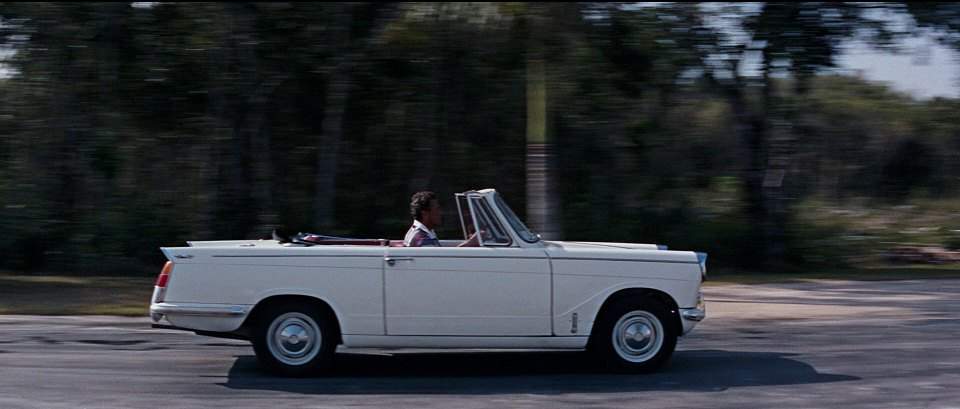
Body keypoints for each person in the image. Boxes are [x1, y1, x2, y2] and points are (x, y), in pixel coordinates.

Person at [404, 191, 480, 247]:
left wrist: (469, 242)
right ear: (425, 213)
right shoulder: (422, 239)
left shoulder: (423, 233)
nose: (440, 213)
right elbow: (441, 263)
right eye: (437, 209)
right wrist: (469, 244)